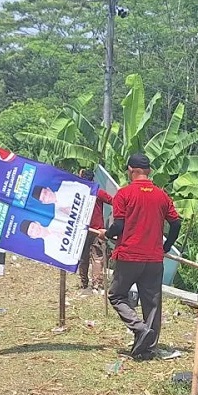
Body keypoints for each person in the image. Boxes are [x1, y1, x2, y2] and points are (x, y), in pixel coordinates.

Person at [101, 152, 181, 359]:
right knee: (152, 302)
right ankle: (147, 350)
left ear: (131, 170)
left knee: (117, 295)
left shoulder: (124, 194)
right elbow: (176, 223)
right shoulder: (162, 195)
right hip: (154, 258)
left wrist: (106, 233)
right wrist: (167, 246)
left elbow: (118, 225)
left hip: (129, 255)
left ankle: (139, 328)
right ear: (149, 171)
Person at [76, 169, 113, 291]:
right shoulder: (98, 191)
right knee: (97, 257)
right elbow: (112, 201)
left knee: (83, 256)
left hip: (83, 228)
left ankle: (83, 282)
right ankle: (97, 284)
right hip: (97, 230)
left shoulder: (79, 191)